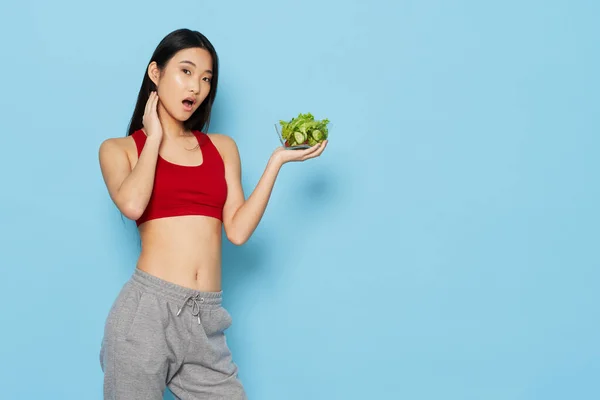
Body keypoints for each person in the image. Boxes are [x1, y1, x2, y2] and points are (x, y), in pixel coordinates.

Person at [97, 28, 327, 399]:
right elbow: (133, 205)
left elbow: (236, 230)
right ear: (155, 73)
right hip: (146, 315)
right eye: (185, 72)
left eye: (206, 78)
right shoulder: (119, 149)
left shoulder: (221, 147)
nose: (196, 87)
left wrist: (277, 161)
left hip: (206, 318)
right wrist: (153, 137)